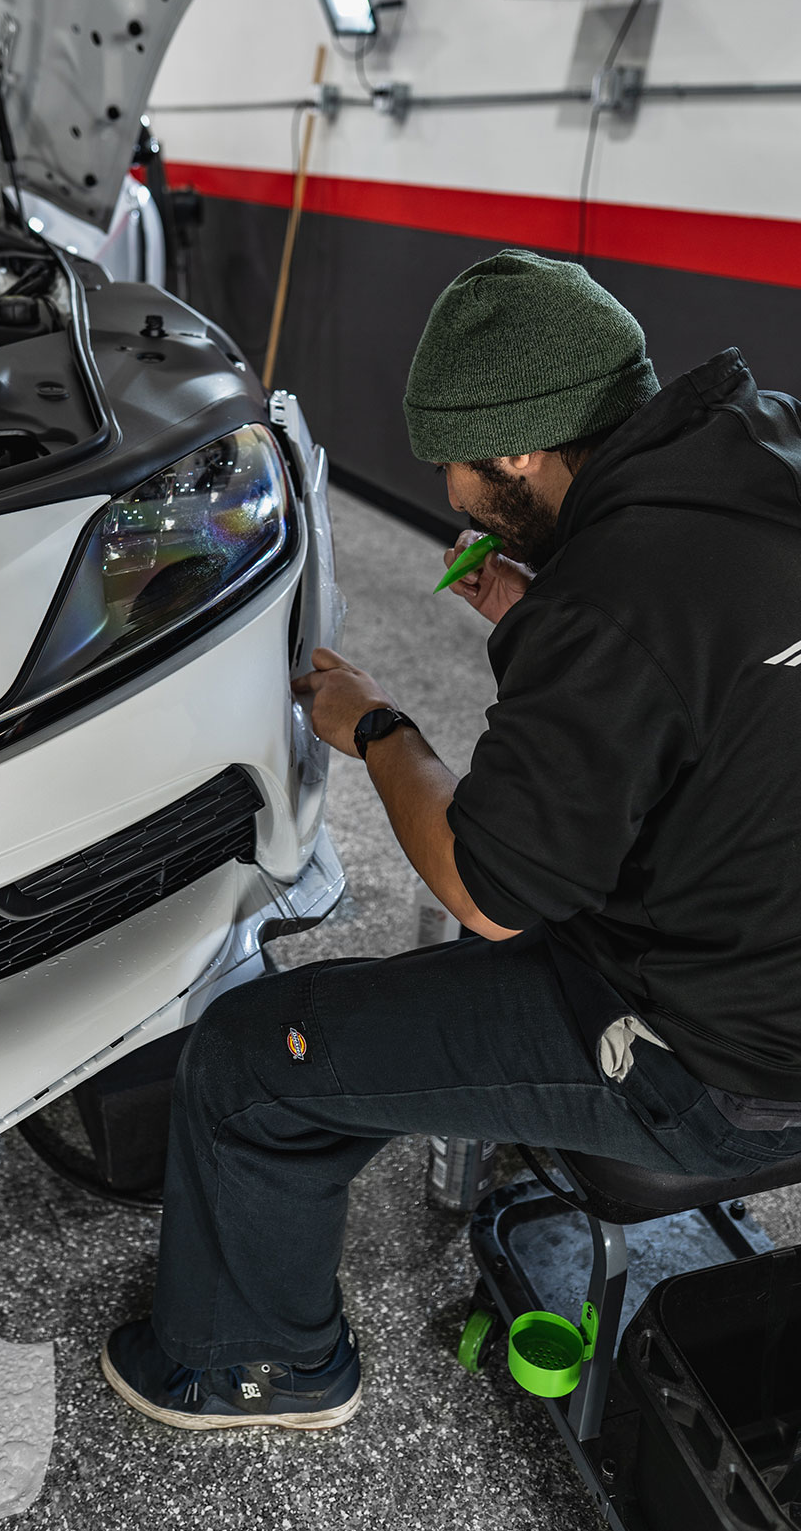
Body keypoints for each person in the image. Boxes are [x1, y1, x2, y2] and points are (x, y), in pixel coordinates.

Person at [100, 248, 801, 1433]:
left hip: (720, 1061)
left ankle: (253, 1366)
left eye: (460, 473)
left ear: (519, 451)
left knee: (247, 1055)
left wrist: (374, 724)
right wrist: (553, 627)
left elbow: (487, 888)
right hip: (763, 931)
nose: (459, 500)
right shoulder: (758, 445)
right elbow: (712, 668)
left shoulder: (612, 599)